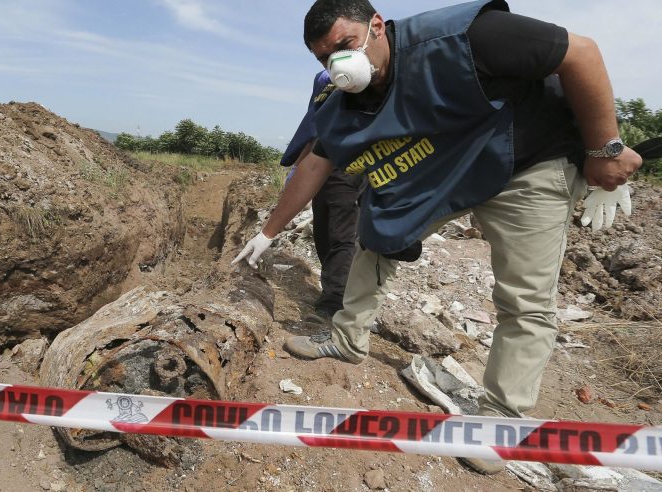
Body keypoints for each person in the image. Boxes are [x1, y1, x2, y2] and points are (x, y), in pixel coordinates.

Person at [232, 0, 642, 474]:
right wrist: (267, 231)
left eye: (345, 45)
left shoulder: (467, 36)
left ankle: (502, 420)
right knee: (377, 231)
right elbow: (315, 162)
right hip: (445, 167)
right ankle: (347, 338)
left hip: (524, 163)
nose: (337, 63)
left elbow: (582, 53)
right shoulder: (348, 100)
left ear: (377, 27)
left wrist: (604, 148)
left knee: (525, 298)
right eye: (325, 58)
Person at [280, 70, 364, 321]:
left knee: (342, 234)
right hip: (320, 167)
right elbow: (312, 129)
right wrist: (298, 167)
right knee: (323, 230)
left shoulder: (358, 78)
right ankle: (335, 289)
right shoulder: (323, 82)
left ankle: (334, 301)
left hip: (350, 165)